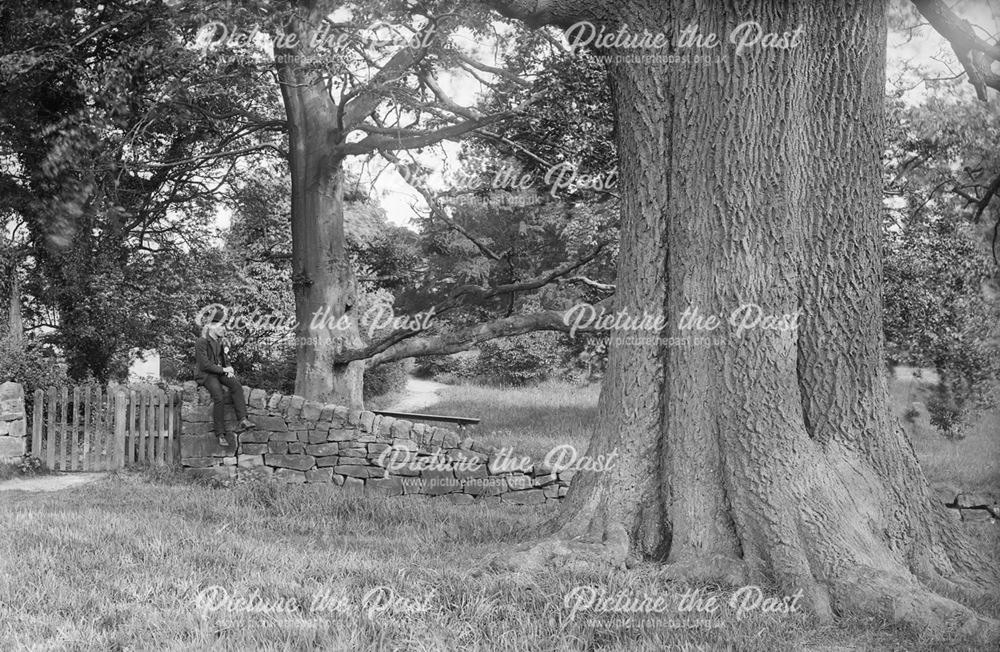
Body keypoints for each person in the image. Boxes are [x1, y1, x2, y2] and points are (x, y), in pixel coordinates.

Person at [195, 322, 254, 446]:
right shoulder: (202, 341)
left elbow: (224, 359)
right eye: (221, 327)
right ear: (211, 326)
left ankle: (242, 419)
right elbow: (204, 365)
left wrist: (229, 368)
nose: (223, 329)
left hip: (219, 372)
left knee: (236, 386)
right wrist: (223, 370)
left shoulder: (220, 342)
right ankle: (220, 434)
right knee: (219, 396)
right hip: (206, 374)